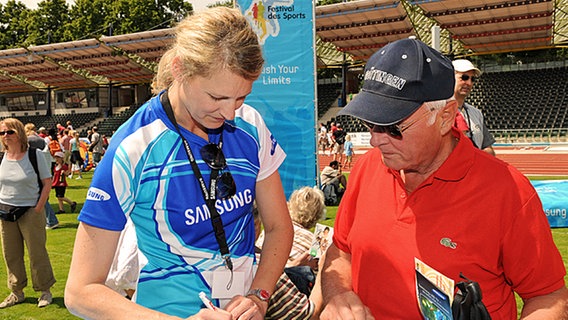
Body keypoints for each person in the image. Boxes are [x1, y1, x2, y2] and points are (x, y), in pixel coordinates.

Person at [65, 7, 293, 320]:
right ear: (180, 69)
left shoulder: (251, 124)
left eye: (241, 97)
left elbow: (280, 227)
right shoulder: (132, 147)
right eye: (216, 97)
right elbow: (80, 292)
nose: (229, 114)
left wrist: (259, 295)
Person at [319, 38, 568, 319]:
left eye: (392, 127)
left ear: (445, 116)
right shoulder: (366, 168)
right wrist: (338, 294)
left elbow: (548, 295)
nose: (376, 140)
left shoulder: (507, 191)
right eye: (370, 123)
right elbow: (341, 252)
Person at [0, 118, 55, 308]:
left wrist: (38, 207)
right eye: (2, 133)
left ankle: (45, 291)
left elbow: (47, 182)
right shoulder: (2, 157)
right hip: (5, 213)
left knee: (37, 253)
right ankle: (16, 292)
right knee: (11, 254)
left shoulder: (34, 155)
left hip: (30, 211)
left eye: (9, 132)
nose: (5, 136)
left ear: (19, 133)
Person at [452, 59, 496, 156]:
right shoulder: (438, 111)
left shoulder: (476, 113)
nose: (469, 83)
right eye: (464, 77)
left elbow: (487, 147)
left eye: (472, 79)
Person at [24, 123, 59, 229]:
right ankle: (48, 220)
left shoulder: (28, 140)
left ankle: (51, 220)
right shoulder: (41, 140)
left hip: (34, 170)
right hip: (45, 169)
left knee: (39, 197)